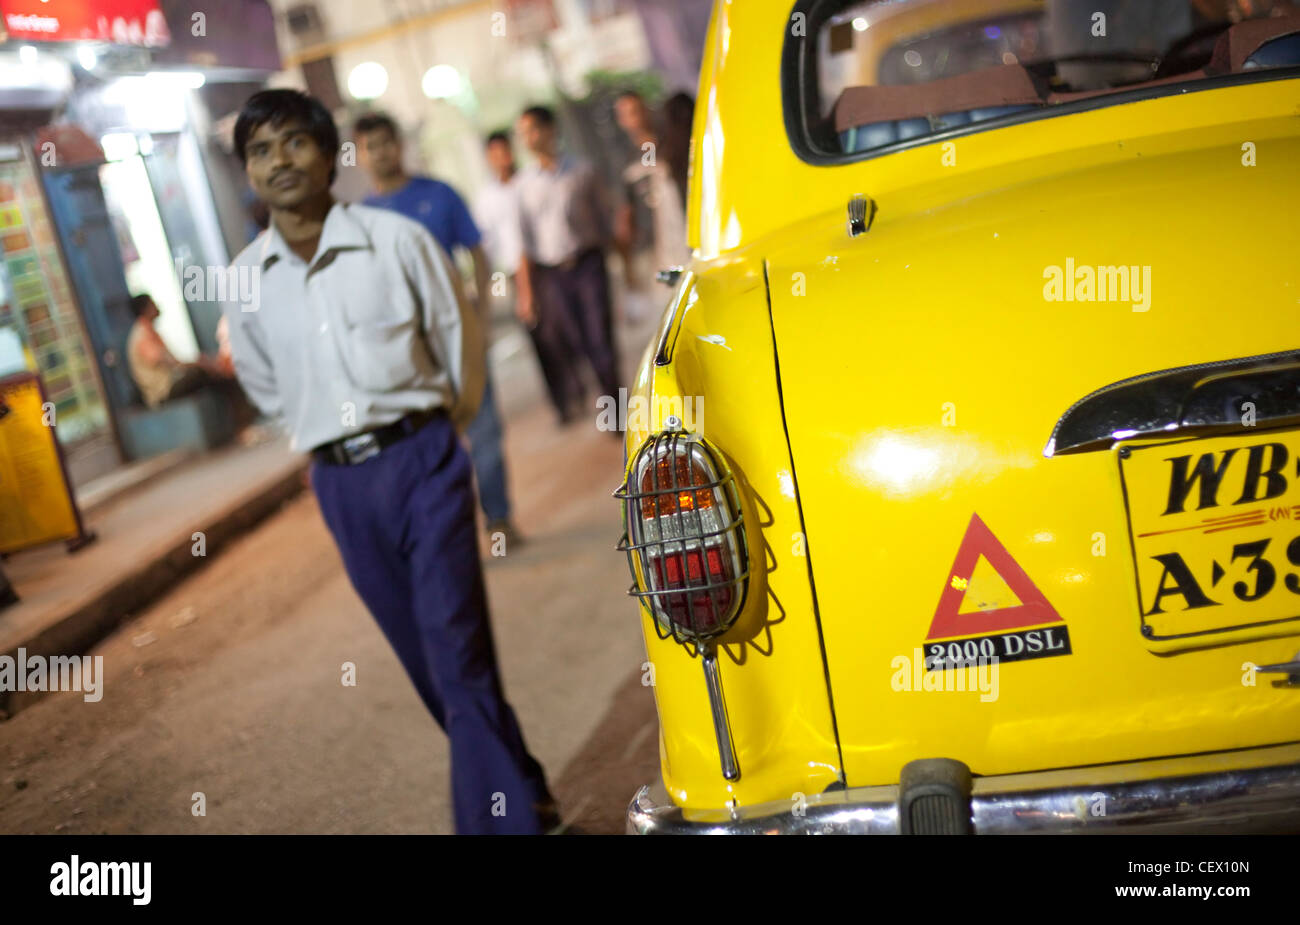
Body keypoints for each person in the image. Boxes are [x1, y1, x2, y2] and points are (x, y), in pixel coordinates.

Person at [221, 89, 556, 835]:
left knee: (457, 650)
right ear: (246, 169)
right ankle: (523, 782)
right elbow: (265, 386)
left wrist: (441, 430)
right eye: (261, 150)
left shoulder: (398, 241)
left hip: (423, 462)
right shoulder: (244, 282)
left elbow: (459, 340)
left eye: (294, 143)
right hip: (342, 486)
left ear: (331, 155)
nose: (279, 161)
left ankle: (497, 823)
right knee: (431, 666)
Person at [353, 112, 520, 547]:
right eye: (371, 146)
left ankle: (498, 520)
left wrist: (482, 317)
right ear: (360, 155)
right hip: (405, 349)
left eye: (387, 142)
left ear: (400, 145)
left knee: (483, 428)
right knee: (428, 440)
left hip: (458, 332)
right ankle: (449, 533)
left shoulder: (440, 194)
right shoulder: (360, 219)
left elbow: (478, 254)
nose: (382, 152)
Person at [514, 105, 619, 425]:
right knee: (577, 341)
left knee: (600, 339)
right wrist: (527, 294)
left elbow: (606, 218)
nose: (528, 139)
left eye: (533, 130)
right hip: (553, 277)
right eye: (523, 134)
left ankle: (616, 414)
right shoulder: (523, 186)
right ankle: (603, 404)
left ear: (550, 130)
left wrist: (622, 261)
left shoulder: (582, 171)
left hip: (588, 265)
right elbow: (524, 243)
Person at [613, 90, 692, 279]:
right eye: (630, 113)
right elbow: (626, 213)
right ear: (621, 120)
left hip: (687, 236)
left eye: (639, 110)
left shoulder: (673, 143)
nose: (637, 117)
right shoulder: (628, 163)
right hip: (656, 250)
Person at [126, 293, 231, 408]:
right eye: (152, 303)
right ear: (145, 310)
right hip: (163, 392)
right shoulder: (142, 337)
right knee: (202, 372)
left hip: (170, 383)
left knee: (208, 371)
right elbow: (171, 363)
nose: (157, 306)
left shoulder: (149, 332)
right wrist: (198, 363)